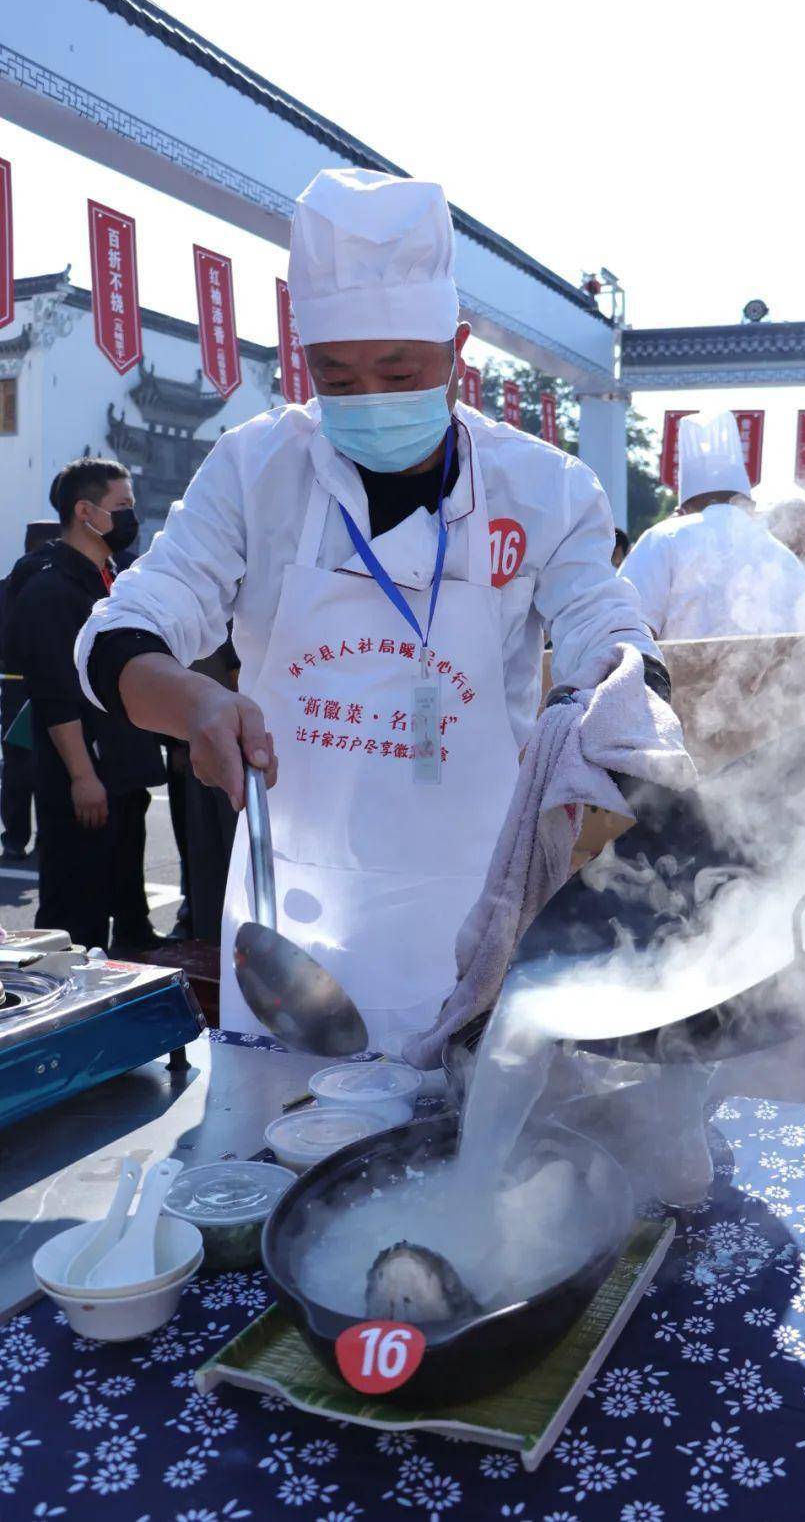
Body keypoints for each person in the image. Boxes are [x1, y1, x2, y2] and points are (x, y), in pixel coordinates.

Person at [75, 167, 666, 1051]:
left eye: (399, 370)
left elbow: (603, 624)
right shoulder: (258, 467)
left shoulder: (541, 485)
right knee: (275, 1139)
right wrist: (193, 701)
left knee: (457, 1132)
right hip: (294, 925)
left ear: (456, 350)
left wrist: (620, 704)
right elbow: (129, 626)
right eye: (337, 376)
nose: (369, 399)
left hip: (477, 900)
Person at [5, 459, 165, 950]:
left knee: (122, 892)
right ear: (85, 511)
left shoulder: (113, 576)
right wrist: (82, 775)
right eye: (122, 507)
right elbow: (55, 695)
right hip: (85, 772)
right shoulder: (50, 587)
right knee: (77, 916)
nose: (130, 518)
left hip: (122, 766)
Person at [622, 412, 805, 640]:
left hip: (678, 676)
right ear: (749, 505)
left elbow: (627, 631)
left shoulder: (663, 539)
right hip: (776, 675)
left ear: (683, 508)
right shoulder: (783, 556)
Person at [0, 520, 59, 860]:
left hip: (14, 686)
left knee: (17, 765)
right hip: (43, 684)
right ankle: (44, 838)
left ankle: (14, 838)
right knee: (49, 762)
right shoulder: (50, 587)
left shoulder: (7, 587)